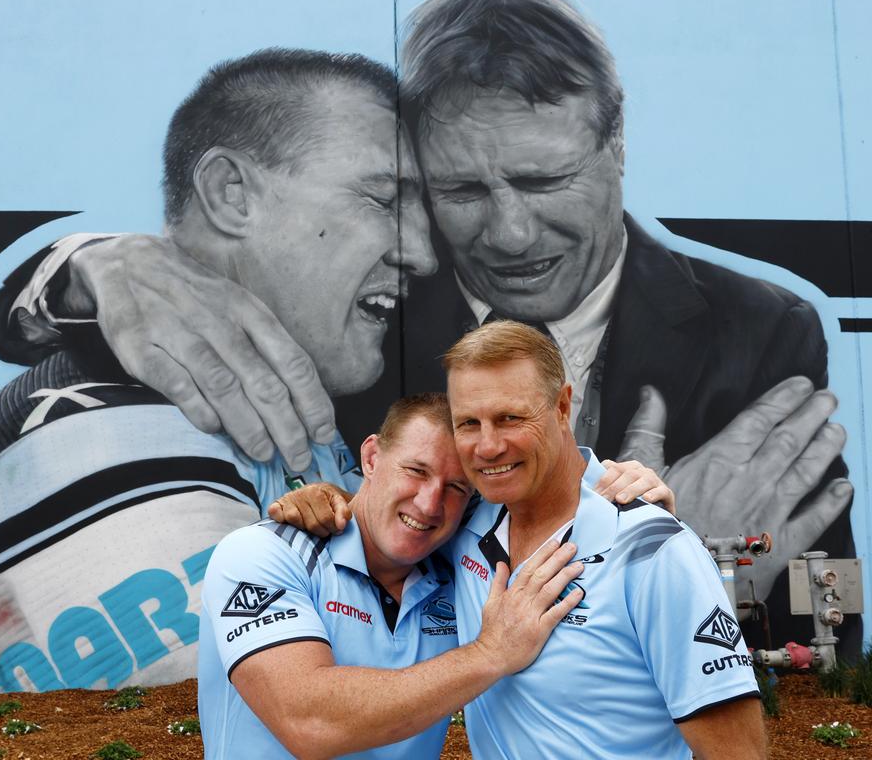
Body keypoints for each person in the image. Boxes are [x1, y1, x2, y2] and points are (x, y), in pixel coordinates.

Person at [0, 0, 855, 653]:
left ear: (616, 146)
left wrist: (708, 570)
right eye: (460, 192)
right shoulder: (354, 333)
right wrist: (85, 264)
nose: (508, 234)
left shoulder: (761, 333)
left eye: (546, 182)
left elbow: (817, 621)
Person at [0, 47, 657, 692]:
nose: (424, 254)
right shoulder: (92, 438)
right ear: (231, 193)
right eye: (382, 197)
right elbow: (269, 711)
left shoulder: (287, 413)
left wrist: (600, 505)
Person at [280, 320, 765, 759]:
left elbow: (737, 752)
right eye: (468, 423)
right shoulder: (470, 520)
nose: (488, 446)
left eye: (510, 418)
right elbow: (401, 512)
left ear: (561, 407)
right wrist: (329, 498)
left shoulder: (653, 549)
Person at [199, 392, 586, 759]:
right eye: (416, 471)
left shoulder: (459, 569)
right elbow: (308, 722)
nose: (430, 504)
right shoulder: (262, 552)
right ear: (370, 458)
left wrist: (615, 482)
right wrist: (491, 652)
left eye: (456, 487)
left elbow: (557, 497)